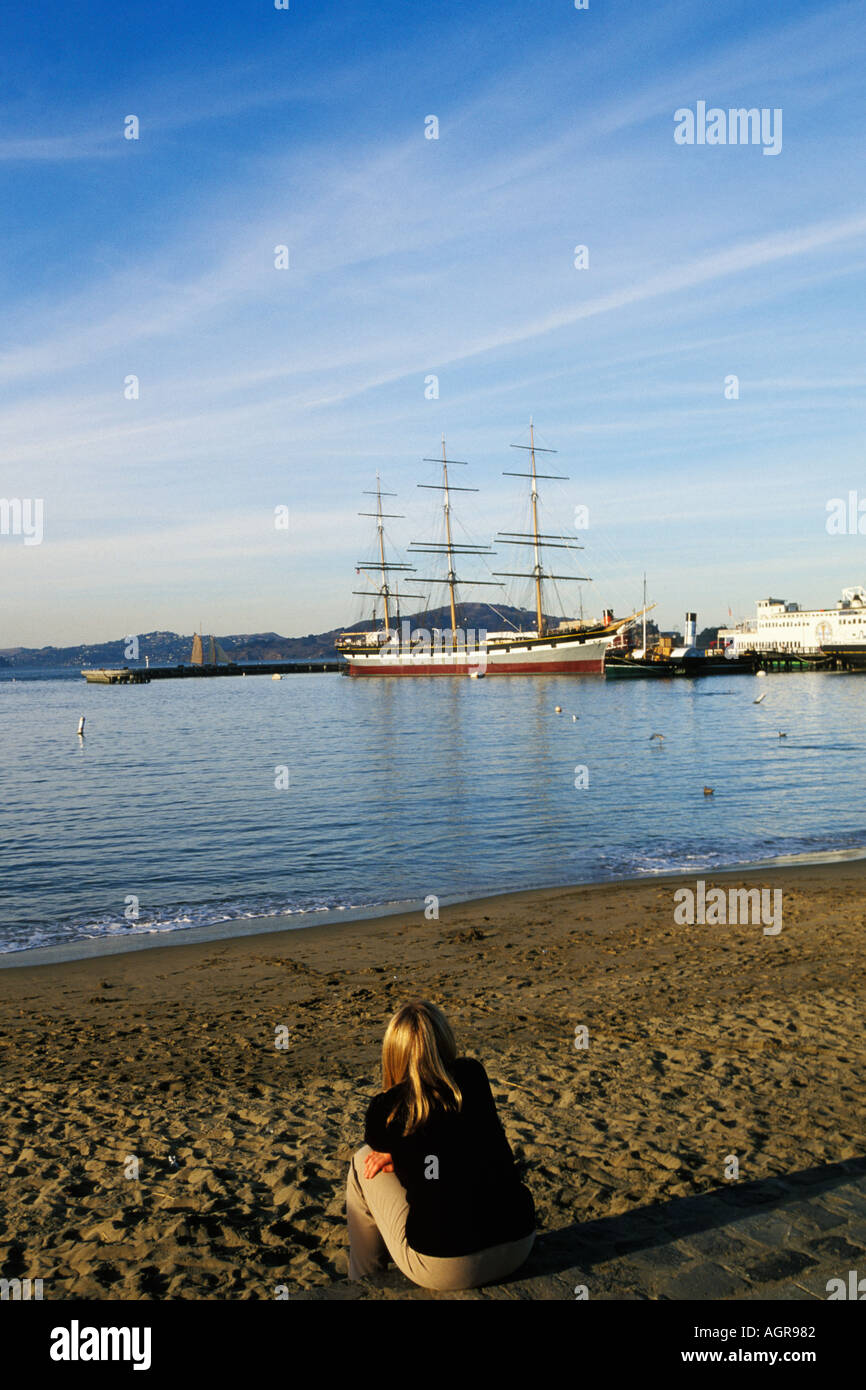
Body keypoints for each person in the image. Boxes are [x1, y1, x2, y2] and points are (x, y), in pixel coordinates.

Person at [346, 999, 535, 1291]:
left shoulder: (388, 1110)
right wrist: (408, 1156)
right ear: (445, 1041)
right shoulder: (473, 1076)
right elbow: (451, 1141)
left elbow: (390, 1140)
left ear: (393, 1054)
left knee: (363, 1161)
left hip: (449, 1266)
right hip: (518, 1242)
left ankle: (364, 1285)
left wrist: (402, 1153)